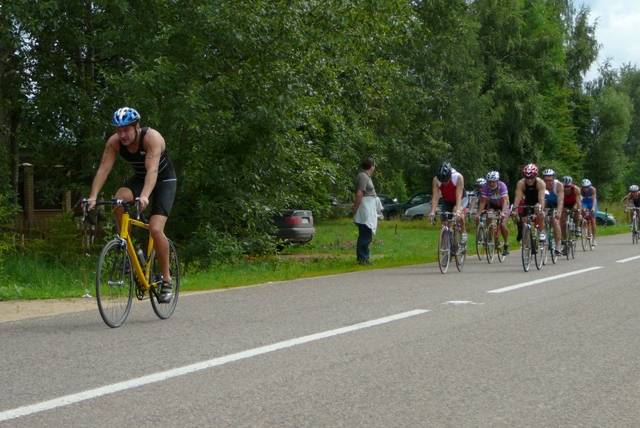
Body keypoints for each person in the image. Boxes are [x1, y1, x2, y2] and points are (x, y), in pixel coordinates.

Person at [86, 107, 177, 303]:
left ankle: (167, 280)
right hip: (140, 178)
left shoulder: (152, 138)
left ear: (137, 127)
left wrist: (144, 197)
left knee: (155, 229)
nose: (122, 135)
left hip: (163, 181)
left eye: (126, 130)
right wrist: (92, 196)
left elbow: (152, 171)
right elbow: (104, 169)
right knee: (118, 199)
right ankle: (129, 249)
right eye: (118, 130)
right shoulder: (114, 143)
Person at [352, 157, 382, 265]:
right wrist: (356, 207)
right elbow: (360, 192)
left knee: (367, 234)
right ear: (372, 166)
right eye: (374, 165)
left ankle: (365, 257)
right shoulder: (363, 176)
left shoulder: (366, 176)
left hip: (369, 207)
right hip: (365, 208)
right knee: (365, 233)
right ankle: (362, 259)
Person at [429, 162, 467, 243]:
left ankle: (463, 233)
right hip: (447, 200)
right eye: (442, 181)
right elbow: (435, 196)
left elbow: (458, 195)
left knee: (457, 212)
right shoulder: (436, 180)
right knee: (444, 220)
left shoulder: (458, 177)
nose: (444, 183)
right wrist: (432, 212)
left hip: (461, 198)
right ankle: (447, 244)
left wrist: (458, 211)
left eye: (446, 180)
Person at [476, 171, 510, 256]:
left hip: (503, 205)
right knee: (489, 214)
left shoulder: (502, 186)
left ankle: (506, 243)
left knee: (502, 224)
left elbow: (505, 200)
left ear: (497, 181)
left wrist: (503, 212)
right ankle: (491, 237)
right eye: (489, 181)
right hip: (493, 205)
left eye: (493, 181)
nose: (491, 183)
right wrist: (478, 213)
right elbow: (483, 202)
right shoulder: (485, 187)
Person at [513, 163, 546, 242]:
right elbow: (517, 198)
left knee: (538, 209)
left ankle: (541, 231)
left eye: (531, 177)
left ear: (535, 176)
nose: (529, 180)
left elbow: (541, 198)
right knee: (521, 218)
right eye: (527, 177)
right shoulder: (521, 183)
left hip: (538, 201)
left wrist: (541, 209)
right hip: (527, 202)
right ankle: (524, 236)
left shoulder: (540, 183)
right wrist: (515, 209)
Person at [542, 169, 564, 255]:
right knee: (541, 218)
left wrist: (558, 212)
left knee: (555, 221)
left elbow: (561, 201)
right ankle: (543, 237)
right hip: (546, 203)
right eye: (546, 180)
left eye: (550, 180)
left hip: (555, 204)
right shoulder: (541, 184)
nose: (548, 182)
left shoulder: (558, 185)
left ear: (553, 178)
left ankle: (558, 244)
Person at [580, 178, 598, 245]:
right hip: (584, 202)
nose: (585, 189)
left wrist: (593, 207)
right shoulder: (580, 190)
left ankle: (594, 239)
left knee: (593, 220)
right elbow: (580, 200)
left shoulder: (593, 189)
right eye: (584, 187)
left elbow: (594, 199)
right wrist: (582, 208)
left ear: (589, 186)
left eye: (587, 187)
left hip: (591, 202)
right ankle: (587, 231)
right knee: (583, 216)